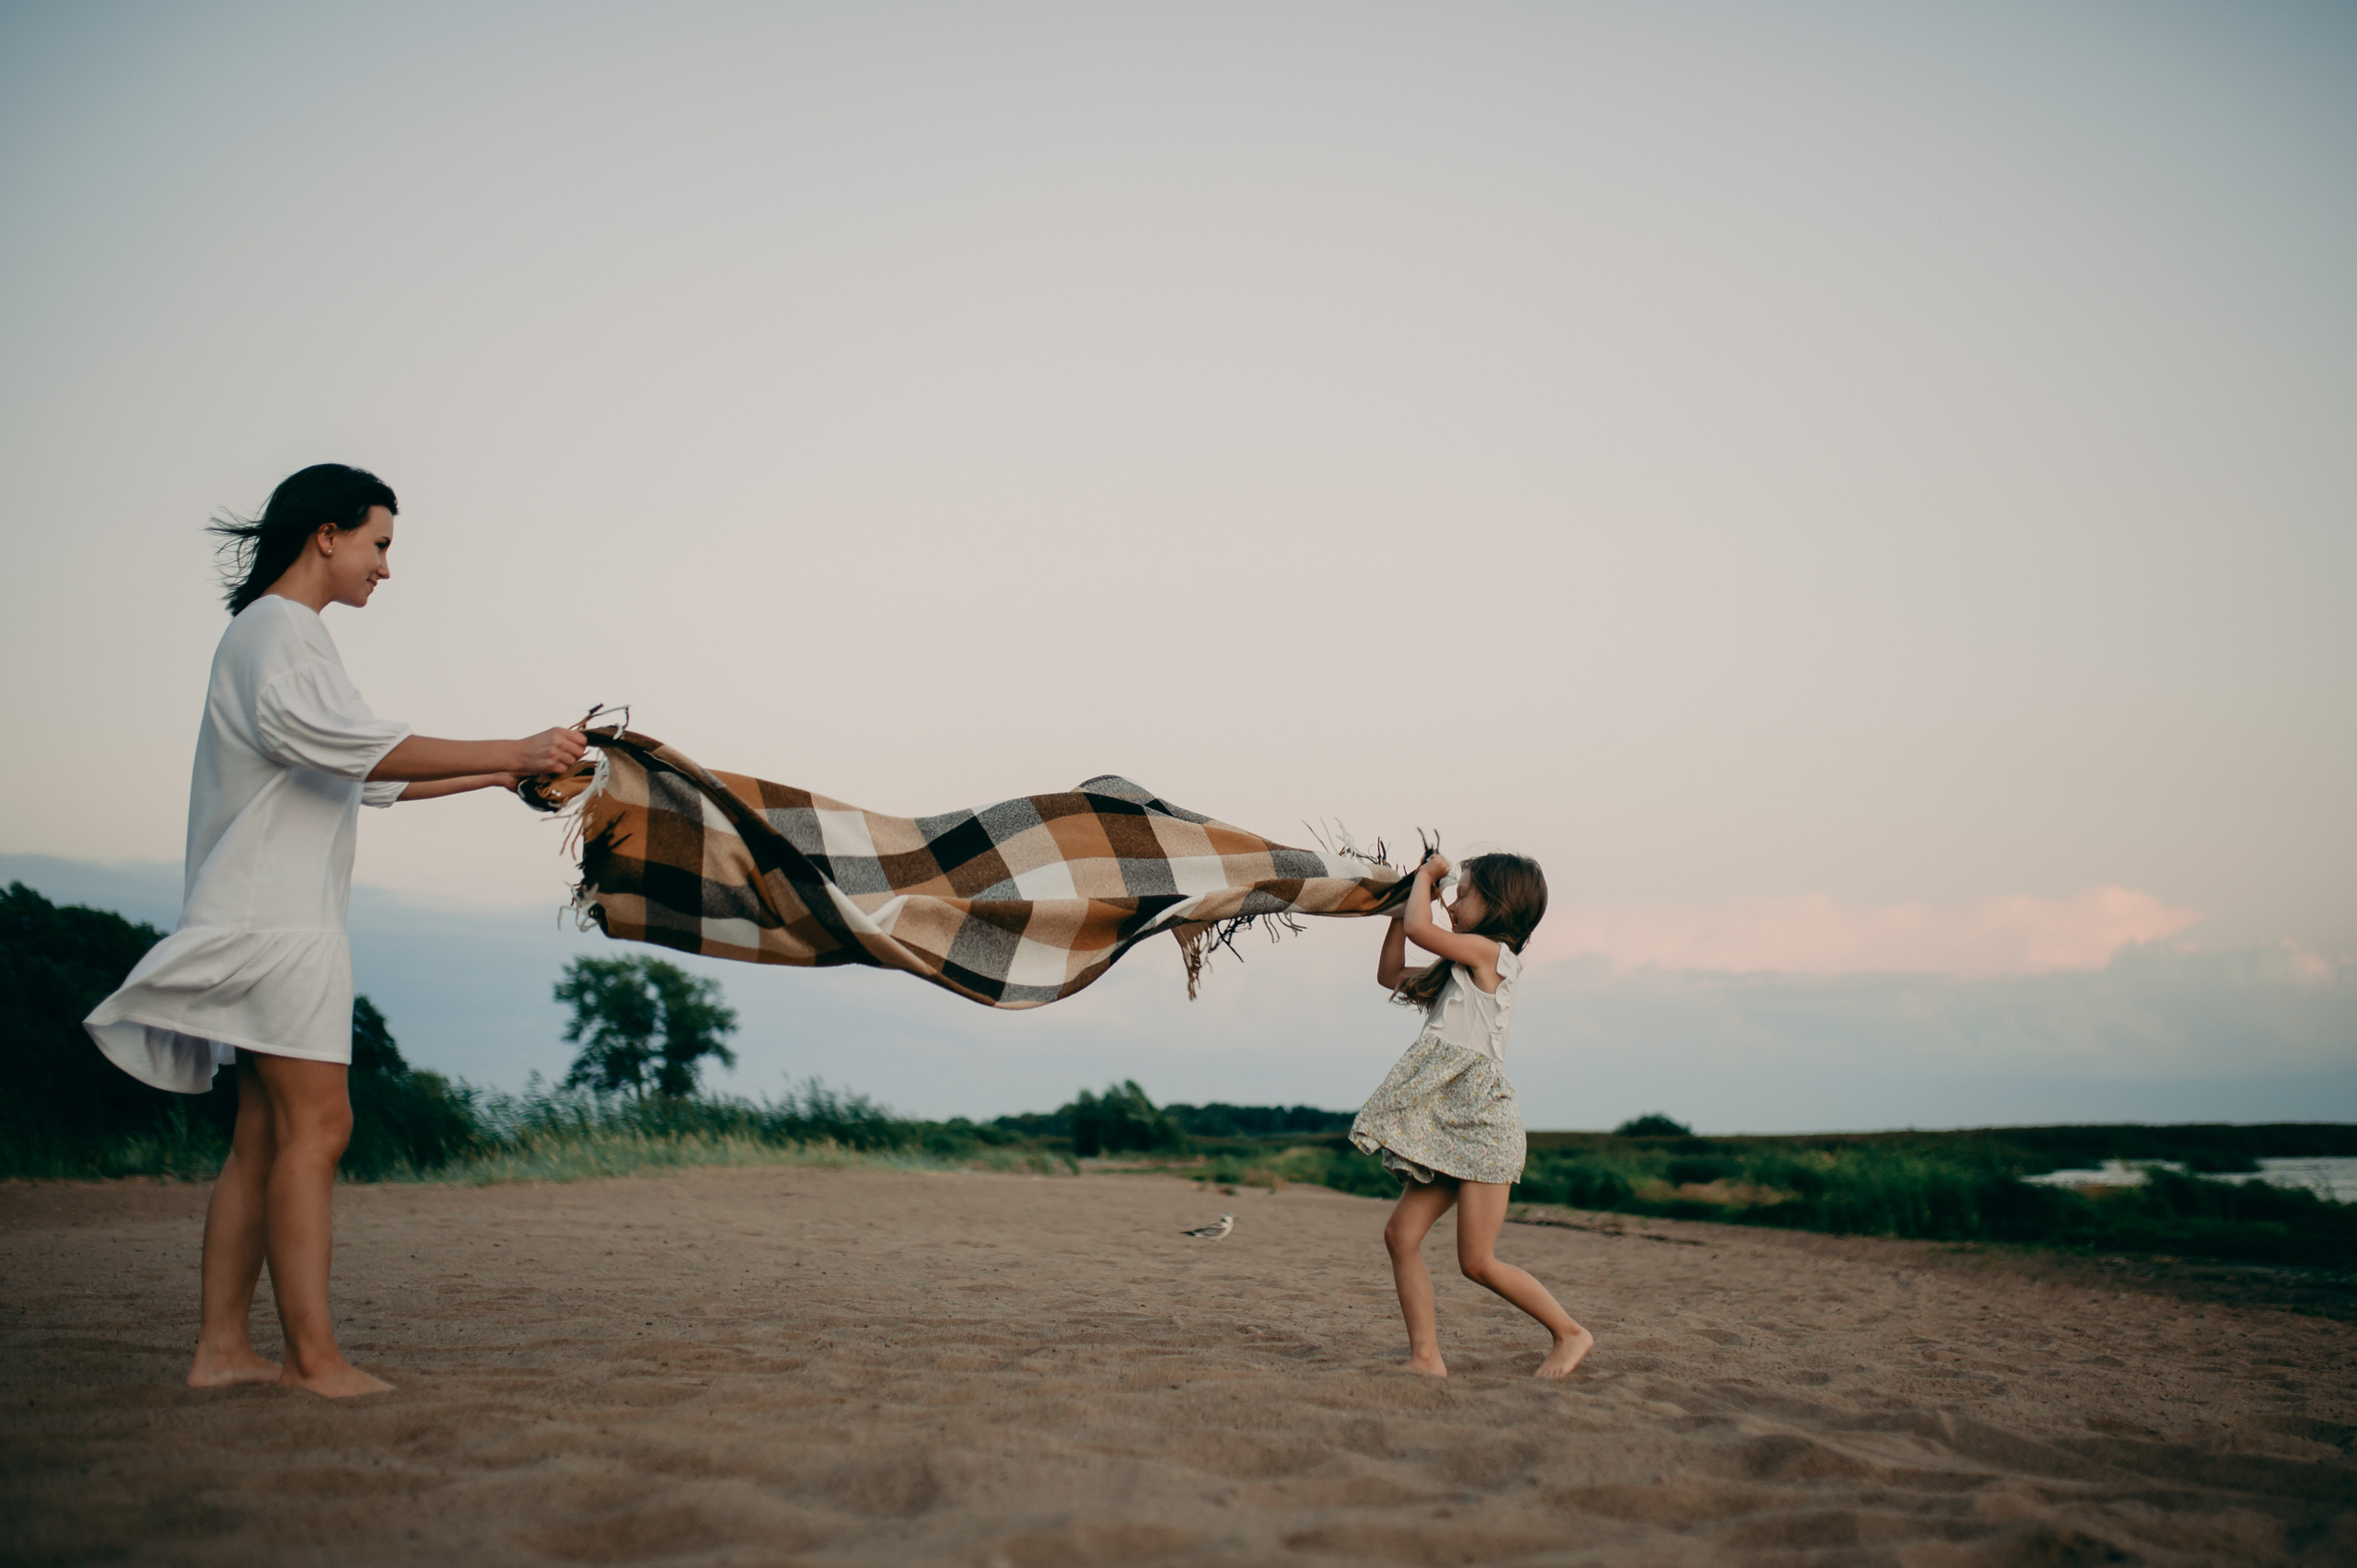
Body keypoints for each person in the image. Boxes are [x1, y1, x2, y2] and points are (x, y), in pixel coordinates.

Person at [83, 463, 586, 1399]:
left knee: (265, 1135)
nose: (386, 567)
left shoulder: (276, 636)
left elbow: (359, 768)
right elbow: (356, 747)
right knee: (322, 1123)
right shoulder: (278, 631)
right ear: (326, 533)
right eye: (380, 543)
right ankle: (313, 1357)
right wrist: (513, 746)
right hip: (279, 922)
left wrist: (494, 777)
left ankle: (223, 1348)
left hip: (263, 914)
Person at [1349, 851, 1594, 1379]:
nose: (1452, 904)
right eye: (1452, 893)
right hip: (1447, 1130)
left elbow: (1422, 926)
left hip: (1482, 1129)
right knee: (1400, 1236)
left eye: (1463, 894)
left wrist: (1424, 881)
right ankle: (1426, 1358)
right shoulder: (1458, 969)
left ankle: (1571, 1333)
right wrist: (1399, 908)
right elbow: (1389, 972)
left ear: (1498, 906)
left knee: (1477, 1262)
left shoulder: (1493, 956)